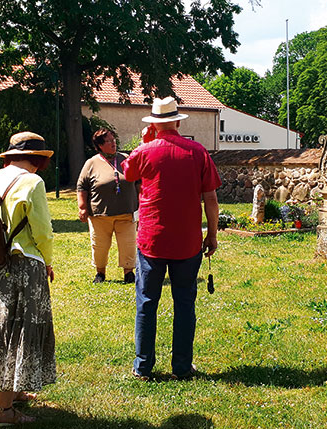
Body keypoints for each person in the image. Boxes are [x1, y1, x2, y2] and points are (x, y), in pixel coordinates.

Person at [122, 97, 221, 380]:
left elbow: (127, 173)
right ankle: (181, 366)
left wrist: (143, 142)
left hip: (152, 239)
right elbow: (211, 198)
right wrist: (211, 234)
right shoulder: (198, 152)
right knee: (185, 304)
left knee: (147, 303)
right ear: (178, 121)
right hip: (188, 241)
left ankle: (143, 366)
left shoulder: (145, 151)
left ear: (153, 124)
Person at [0, 132, 56, 426]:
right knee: (17, 332)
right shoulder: (33, 182)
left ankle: (14, 392)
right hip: (23, 265)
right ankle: (3, 410)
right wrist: (47, 260)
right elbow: (42, 230)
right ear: (37, 158)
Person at [76, 128, 138, 284]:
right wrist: (82, 207)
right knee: (99, 245)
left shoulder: (126, 159)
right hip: (100, 215)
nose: (113, 143)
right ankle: (100, 272)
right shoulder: (91, 163)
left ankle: (129, 272)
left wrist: (142, 203)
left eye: (114, 140)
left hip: (126, 213)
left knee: (128, 244)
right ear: (100, 145)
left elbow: (138, 182)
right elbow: (81, 186)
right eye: (109, 141)